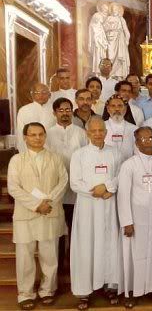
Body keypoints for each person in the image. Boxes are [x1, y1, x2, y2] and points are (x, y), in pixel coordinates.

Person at [8, 122, 68, 310]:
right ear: (25, 137)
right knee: (25, 256)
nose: (37, 138)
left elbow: (63, 182)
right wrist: (36, 205)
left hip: (49, 212)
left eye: (41, 134)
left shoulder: (55, 158)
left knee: (49, 254)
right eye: (32, 135)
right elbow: (13, 188)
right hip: (25, 214)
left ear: (45, 136)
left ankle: (47, 290)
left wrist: (47, 203)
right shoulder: (16, 160)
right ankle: (25, 293)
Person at [70, 116, 121, 310]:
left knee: (109, 245)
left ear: (106, 132)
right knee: (87, 246)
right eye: (94, 131)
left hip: (109, 205)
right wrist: (96, 191)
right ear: (87, 133)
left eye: (101, 131)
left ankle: (110, 285)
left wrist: (108, 187)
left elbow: (119, 176)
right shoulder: (79, 155)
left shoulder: (115, 153)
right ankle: (84, 291)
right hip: (87, 208)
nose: (98, 134)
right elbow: (75, 183)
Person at [117, 126, 152, 308]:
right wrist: (127, 221)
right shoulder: (129, 164)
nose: (149, 141)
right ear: (136, 142)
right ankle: (132, 292)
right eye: (144, 139)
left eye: (151, 138)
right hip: (136, 219)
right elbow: (123, 195)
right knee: (134, 254)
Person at [45, 98, 88, 269]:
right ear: (54, 113)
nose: (65, 113)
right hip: (55, 188)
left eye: (68, 109)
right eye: (61, 110)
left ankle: (75, 263)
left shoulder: (81, 132)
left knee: (75, 227)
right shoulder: (47, 133)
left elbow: (86, 158)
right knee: (57, 230)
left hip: (77, 189)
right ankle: (59, 264)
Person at [16, 83, 56, 152]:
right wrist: (24, 153)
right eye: (37, 92)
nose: (41, 95)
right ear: (32, 95)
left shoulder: (55, 109)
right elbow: (21, 134)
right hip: (30, 152)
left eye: (44, 92)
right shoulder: (24, 110)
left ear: (49, 95)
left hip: (52, 151)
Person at [103, 94, 138, 163]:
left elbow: (137, 152)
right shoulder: (101, 127)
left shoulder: (134, 129)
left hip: (128, 165)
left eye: (120, 106)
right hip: (107, 165)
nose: (117, 109)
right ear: (107, 109)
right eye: (113, 106)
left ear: (125, 108)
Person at [103, 3, 130, 79]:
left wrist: (127, 40)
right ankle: (111, 75)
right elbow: (103, 30)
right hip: (110, 39)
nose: (115, 10)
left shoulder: (121, 19)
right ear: (111, 10)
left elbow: (126, 31)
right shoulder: (108, 19)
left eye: (117, 9)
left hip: (120, 39)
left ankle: (119, 75)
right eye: (114, 9)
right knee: (111, 56)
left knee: (120, 57)